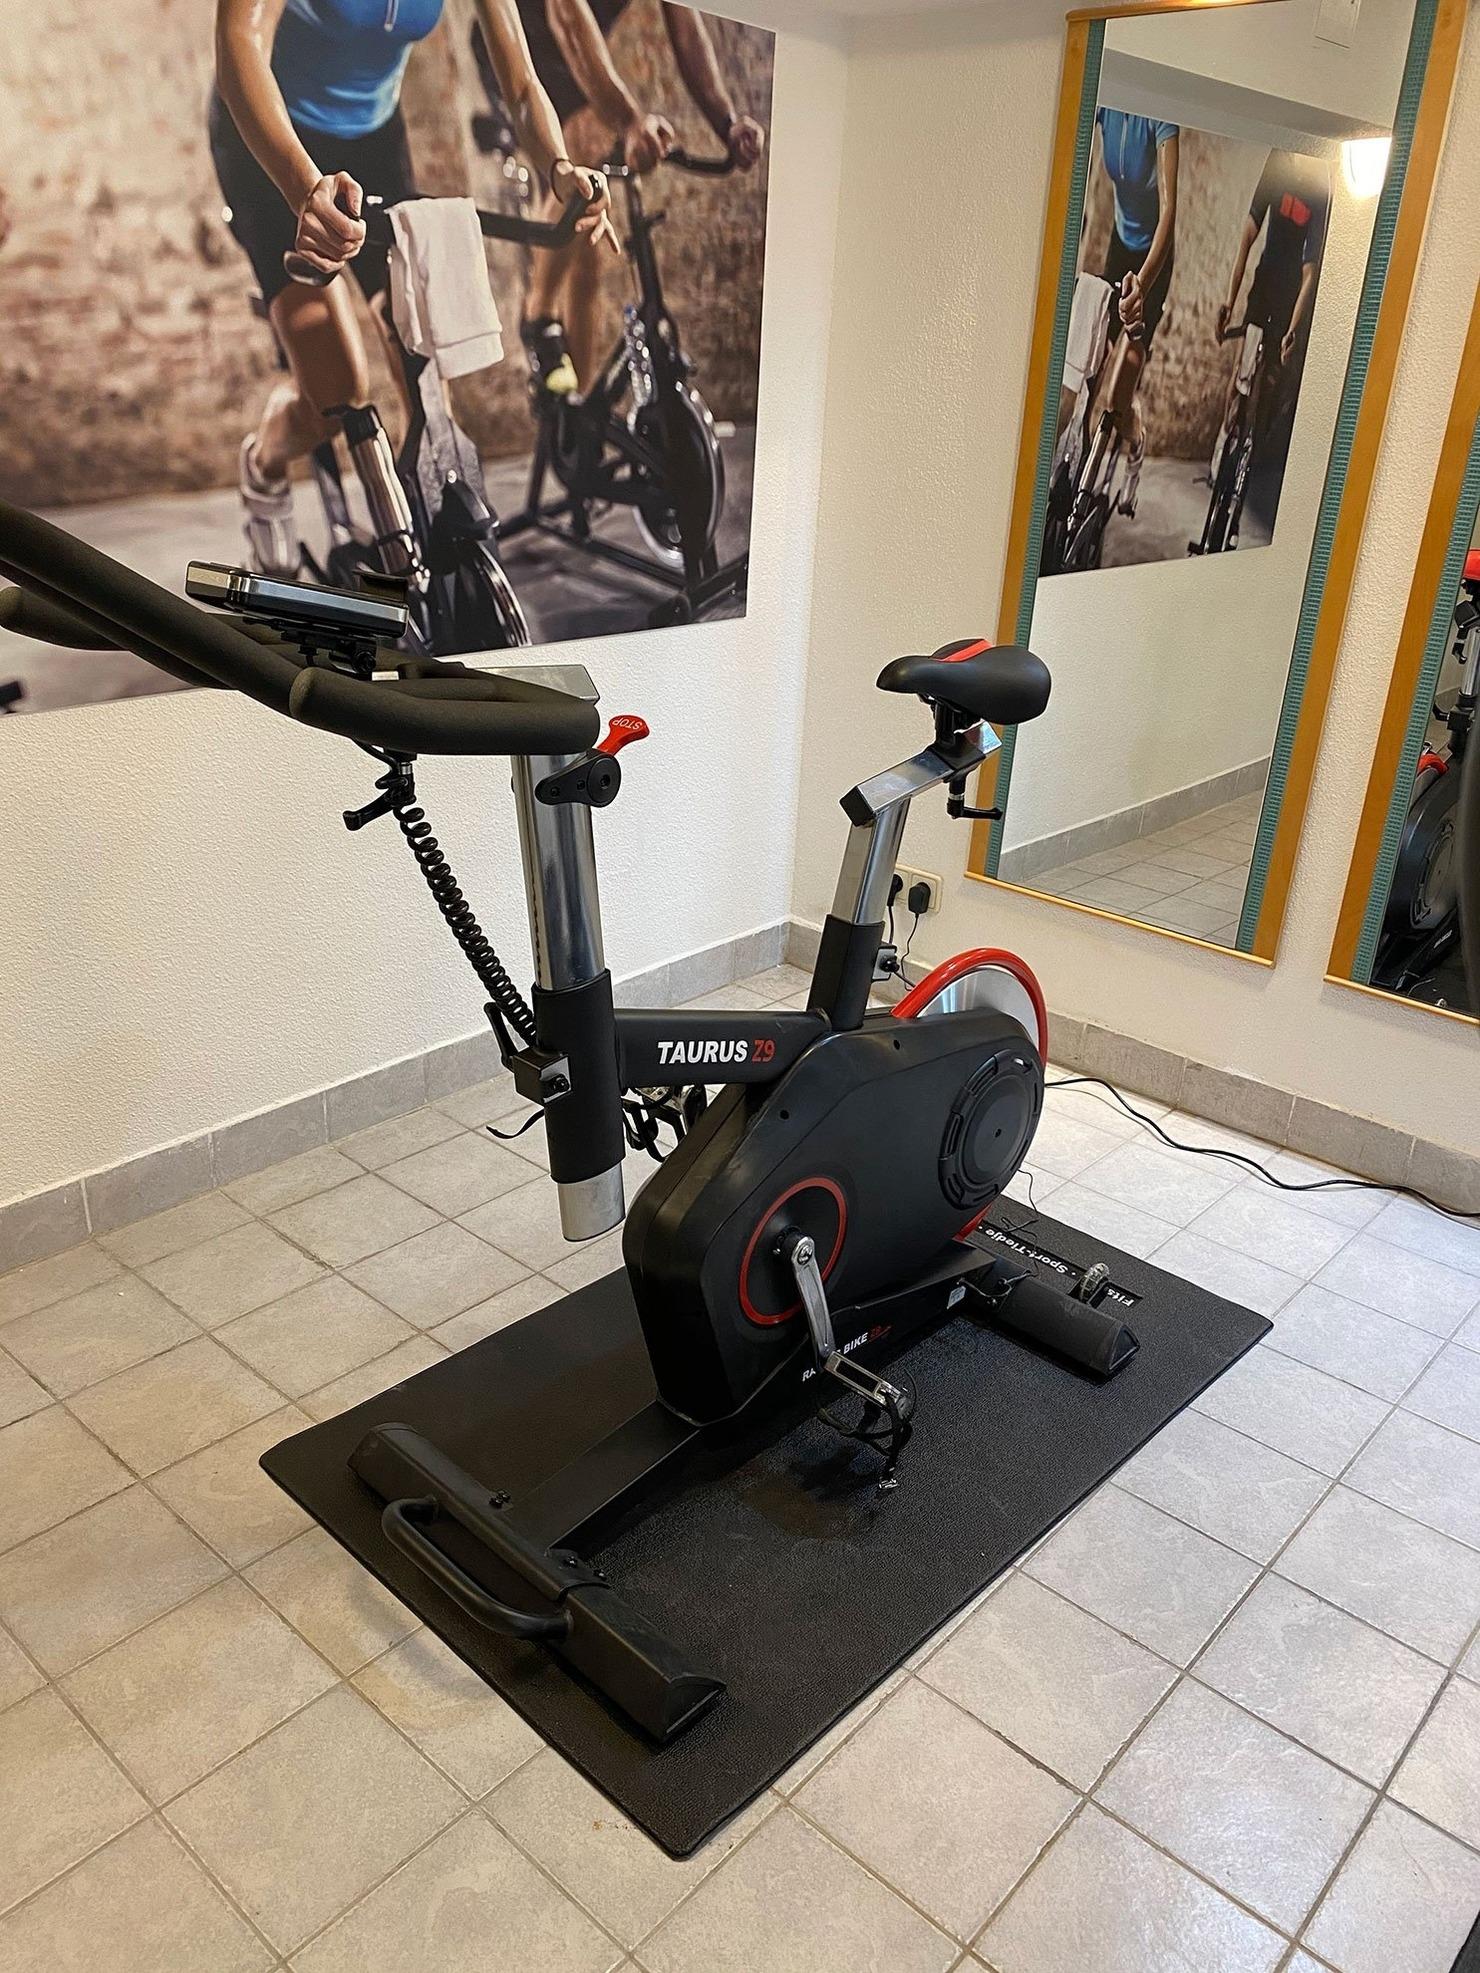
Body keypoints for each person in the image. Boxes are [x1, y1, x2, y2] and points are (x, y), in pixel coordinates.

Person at [212, 0, 615, 576]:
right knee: (335, 395)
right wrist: (304, 190)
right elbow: (241, 44)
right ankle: (264, 465)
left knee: (421, 364)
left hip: (373, 139)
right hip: (272, 142)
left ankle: (427, 554)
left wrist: (559, 167)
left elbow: (522, 83)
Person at [507, 1, 767, 394]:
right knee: (585, 141)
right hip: (519, 55)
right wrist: (630, 122)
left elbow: (686, 30)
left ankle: (578, 405)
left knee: (587, 252)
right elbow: (567, 18)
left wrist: (726, 123)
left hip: (574, 67)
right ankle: (538, 317)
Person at [1058, 109, 1179, 518]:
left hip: (1152, 263)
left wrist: (1142, 286)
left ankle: (1136, 439)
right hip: (1120, 246)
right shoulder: (1106, 107)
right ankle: (1072, 478)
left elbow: (1168, 214)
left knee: (1118, 394)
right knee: (1086, 373)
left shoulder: (1161, 117)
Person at [1210, 147, 1330, 480]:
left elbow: (1310, 272)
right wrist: (1229, 302)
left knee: (1273, 381)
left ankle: (1254, 452)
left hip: (1290, 297)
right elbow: (1248, 235)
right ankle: (1224, 436)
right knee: (1242, 370)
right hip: (1264, 285)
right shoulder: (1278, 162)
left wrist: (1294, 327)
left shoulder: (1321, 185)